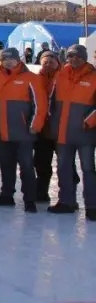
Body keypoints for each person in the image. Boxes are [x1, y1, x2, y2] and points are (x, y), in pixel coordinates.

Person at [0, 48, 46, 213]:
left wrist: (35, 124)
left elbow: (40, 104)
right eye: (4, 59)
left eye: (11, 59)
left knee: (26, 165)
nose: (8, 62)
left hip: (23, 131)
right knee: (5, 163)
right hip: (1, 129)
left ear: (18, 60)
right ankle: (7, 194)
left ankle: (29, 199)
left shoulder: (31, 78)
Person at [47, 45, 96, 220]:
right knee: (63, 168)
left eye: (78, 56)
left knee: (88, 169)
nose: (74, 59)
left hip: (85, 134)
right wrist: (53, 123)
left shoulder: (93, 76)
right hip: (63, 132)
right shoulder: (60, 75)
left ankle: (92, 205)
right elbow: (50, 102)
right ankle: (66, 202)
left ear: (84, 58)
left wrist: (88, 121)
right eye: (71, 56)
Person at [34, 50, 62, 202]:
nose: (48, 65)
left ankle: (67, 197)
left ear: (58, 63)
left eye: (52, 62)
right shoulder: (35, 79)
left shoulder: (64, 78)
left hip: (60, 128)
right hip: (42, 128)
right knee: (41, 162)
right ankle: (41, 192)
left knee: (65, 164)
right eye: (45, 62)